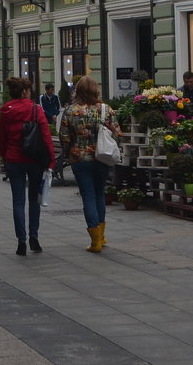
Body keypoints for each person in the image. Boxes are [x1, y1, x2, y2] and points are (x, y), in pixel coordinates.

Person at [59, 76, 120, 253]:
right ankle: (101, 235)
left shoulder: (70, 111)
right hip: (102, 158)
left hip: (80, 159)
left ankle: (95, 242)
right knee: (100, 192)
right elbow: (117, 133)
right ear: (95, 90)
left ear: (78, 91)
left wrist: (71, 150)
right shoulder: (105, 109)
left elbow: (64, 137)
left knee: (88, 196)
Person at [0, 76, 56, 256]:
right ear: (24, 91)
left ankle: (21, 241)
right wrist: (51, 159)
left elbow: (2, 137)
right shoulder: (35, 109)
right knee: (34, 199)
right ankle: (34, 238)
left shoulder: (6, 111)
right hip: (34, 160)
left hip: (14, 160)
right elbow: (46, 136)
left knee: (18, 201)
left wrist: (4, 155)